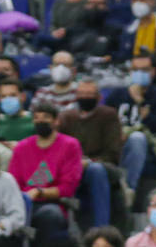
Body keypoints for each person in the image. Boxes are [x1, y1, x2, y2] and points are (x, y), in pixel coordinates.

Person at [9, 101, 82, 247]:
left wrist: (39, 192)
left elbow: (67, 188)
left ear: (56, 121)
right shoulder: (21, 147)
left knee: (49, 214)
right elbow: (12, 184)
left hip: (54, 205)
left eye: (46, 117)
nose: (40, 121)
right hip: (23, 205)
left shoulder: (70, 145)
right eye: (36, 117)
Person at [56, 79, 124, 228]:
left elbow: (113, 152)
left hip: (104, 166)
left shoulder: (108, 115)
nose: (85, 97)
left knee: (95, 169)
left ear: (99, 97)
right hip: (73, 167)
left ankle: (102, 230)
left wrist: (89, 161)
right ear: (76, 96)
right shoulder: (66, 117)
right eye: (82, 93)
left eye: (89, 94)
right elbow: (58, 148)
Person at [103, 52, 156, 193]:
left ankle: (129, 190)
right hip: (117, 144)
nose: (140, 73)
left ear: (153, 72)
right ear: (130, 72)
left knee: (137, 138)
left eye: (145, 70)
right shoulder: (117, 94)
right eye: (136, 69)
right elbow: (104, 122)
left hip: (146, 148)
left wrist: (140, 102)